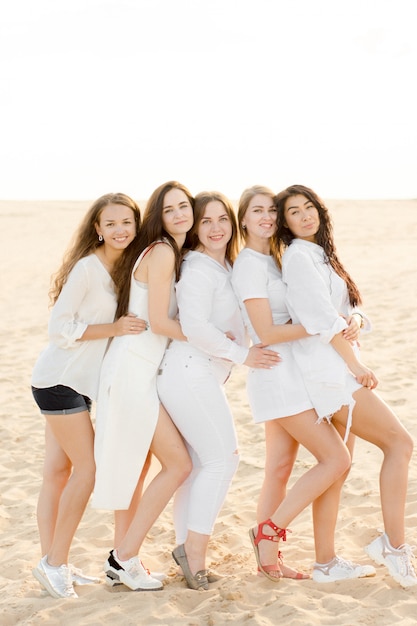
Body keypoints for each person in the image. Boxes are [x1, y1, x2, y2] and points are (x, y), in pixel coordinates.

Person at [274, 184, 416, 588]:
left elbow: (346, 308)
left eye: (309, 208)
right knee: (400, 444)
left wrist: (357, 320)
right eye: (294, 213)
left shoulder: (320, 254)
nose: (305, 216)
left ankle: (325, 562)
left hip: (335, 367)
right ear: (284, 224)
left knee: (339, 470)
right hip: (331, 374)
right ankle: (394, 545)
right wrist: (356, 364)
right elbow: (320, 320)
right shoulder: (299, 258)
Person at [232, 186, 375, 583]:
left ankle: (268, 557)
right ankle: (269, 532)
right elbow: (264, 330)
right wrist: (320, 323)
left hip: (290, 371)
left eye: (271, 211)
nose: (267, 217)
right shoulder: (249, 265)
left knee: (279, 468)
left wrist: (336, 318)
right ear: (242, 219)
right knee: (336, 459)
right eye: (257, 211)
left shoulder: (274, 260)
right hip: (278, 375)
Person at [157, 191, 280, 590]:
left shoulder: (222, 265)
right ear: (195, 226)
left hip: (199, 375)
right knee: (224, 459)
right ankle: (193, 553)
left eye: (221, 219)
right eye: (205, 220)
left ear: (232, 222)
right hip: (188, 373)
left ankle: (183, 549)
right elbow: (194, 326)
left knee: (197, 465)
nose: (215, 228)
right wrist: (240, 353)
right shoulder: (197, 268)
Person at [31, 193, 147, 599]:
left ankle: (52, 561)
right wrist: (115, 328)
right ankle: (55, 563)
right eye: (111, 223)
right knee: (88, 469)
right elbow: (59, 327)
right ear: (97, 228)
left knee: (57, 474)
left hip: (76, 384)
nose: (120, 230)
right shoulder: (86, 268)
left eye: (126, 222)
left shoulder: (125, 268)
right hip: (58, 379)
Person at [92, 181, 194, 592]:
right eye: (170, 210)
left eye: (184, 206)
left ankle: (122, 557)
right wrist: (212, 338)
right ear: (159, 217)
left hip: (135, 366)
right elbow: (159, 322)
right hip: (133, 368)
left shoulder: (161, 251)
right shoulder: (164, 251)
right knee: (179, 464)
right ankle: (123, 556)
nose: (180, 215)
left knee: (136, 469)